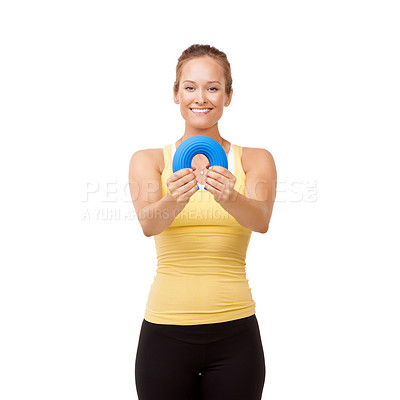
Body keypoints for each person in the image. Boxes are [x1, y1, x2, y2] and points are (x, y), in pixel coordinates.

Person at [128, 44, 277, 400]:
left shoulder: (255, 159)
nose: (201, 97)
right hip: (165, 333)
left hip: (235, 333)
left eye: (212, 87)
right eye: (190, 87)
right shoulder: (150, 160)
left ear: (228, 96)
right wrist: (174, 198)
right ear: (176, 93)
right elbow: (149, 224)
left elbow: (261, 220)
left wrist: (230, 197)